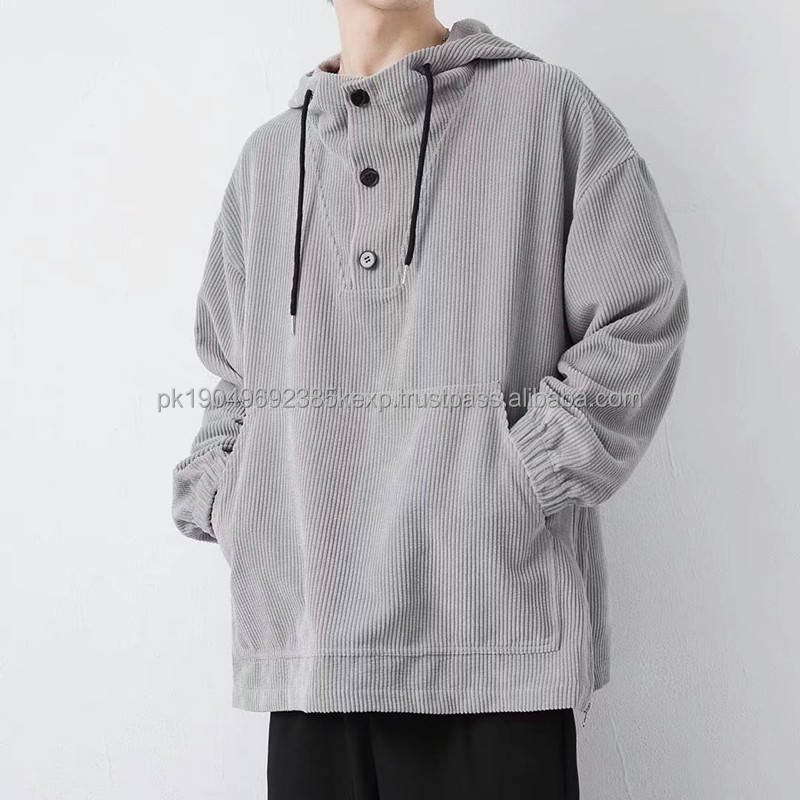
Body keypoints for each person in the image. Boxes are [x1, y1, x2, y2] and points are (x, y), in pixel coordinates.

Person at [171, 1, 689, 797]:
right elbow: (233, 371)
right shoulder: (270, 160)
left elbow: (639, 316)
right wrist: (229, 491)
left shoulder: (549, 111)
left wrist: (522, 477)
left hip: (495, 648)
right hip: (312, 658)